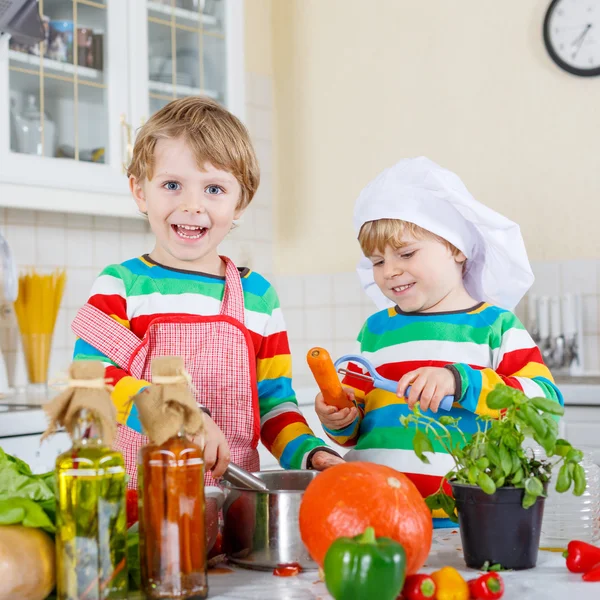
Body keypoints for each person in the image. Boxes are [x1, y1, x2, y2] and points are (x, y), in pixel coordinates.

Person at [72, 96, 342, 488]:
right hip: (137, 509)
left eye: (214, 189)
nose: (192, 205)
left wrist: (312, 453)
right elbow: (93, 376)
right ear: (140, 191)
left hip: (232, 512)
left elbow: (274, 406)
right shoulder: (120, 286)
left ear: (240, 203)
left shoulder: (258, 297)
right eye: (171, 185)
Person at [315, 156, 562, 527]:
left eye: (406, 253)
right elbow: (354, 432)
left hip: (465, 523)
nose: (390, 271)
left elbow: (545, 404)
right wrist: (338, 418)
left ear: (457, 248)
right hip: (378, 516)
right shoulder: (376, 330)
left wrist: (462, 382)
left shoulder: (495, 326)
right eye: (377, 261)